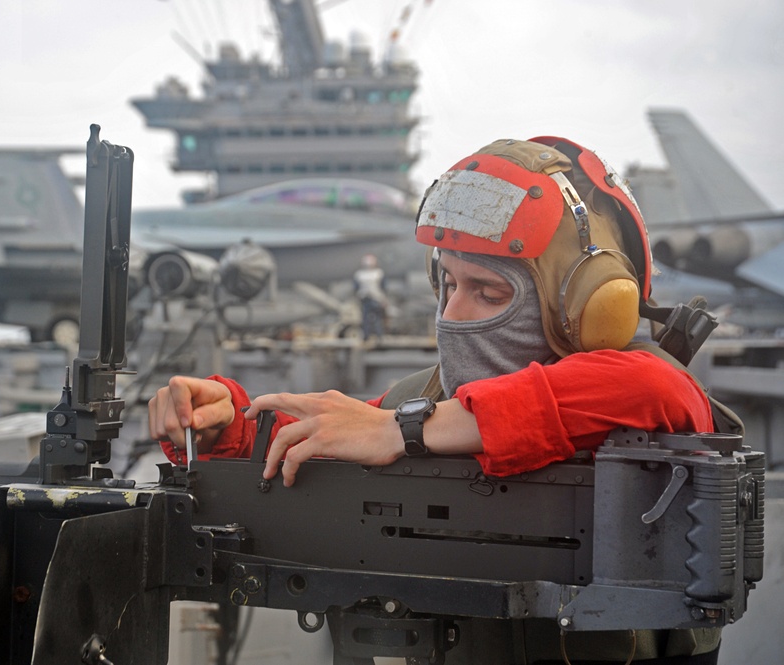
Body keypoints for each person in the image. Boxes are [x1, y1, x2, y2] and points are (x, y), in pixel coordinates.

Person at [148, 136, 729, 663]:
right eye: (448, 284)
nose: (453, 316)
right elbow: (315, 450)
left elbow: (656, 386)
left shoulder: (649, 395)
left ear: (585, 307)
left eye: (488, 291)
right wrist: (224, 428)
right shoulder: (417, 401)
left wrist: (403, 431)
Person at [353, 253, 387, 340]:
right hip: (368, 298)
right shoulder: (378, 273)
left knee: (371, 318)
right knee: (372, 319)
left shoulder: (361, 274)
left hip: (373, 299)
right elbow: (383, 287)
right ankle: (376, 336)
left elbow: (356, 288)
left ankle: (372, 336)